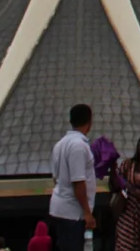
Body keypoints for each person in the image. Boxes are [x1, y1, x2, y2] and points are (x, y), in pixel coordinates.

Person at [49, 105, 96, 251]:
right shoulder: (79, 146)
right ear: (89, 122)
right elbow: (78, 182)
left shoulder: (60, 144)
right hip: (73, 212)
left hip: (60, 206)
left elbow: (55, 178)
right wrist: (87, 213)